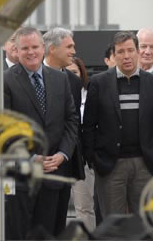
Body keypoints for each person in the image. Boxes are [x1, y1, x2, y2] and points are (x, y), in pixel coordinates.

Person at [82, 31, 153, 218]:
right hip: (111, 165)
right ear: (113, 55)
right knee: (113, 224)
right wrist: (93, 159)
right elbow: (88, 125)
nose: (126, 56)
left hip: (146, 163)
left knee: (146, 223)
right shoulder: (99, 82)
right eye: (121, 52)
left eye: (130, 50)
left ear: (138, 52)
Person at [4, 27, 78, 238]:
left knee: (51, 234)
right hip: (21, 178)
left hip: (55, 172)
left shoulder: (60, 79)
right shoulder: (5, 81)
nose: (31, 52)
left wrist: (62, 155)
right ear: (16, 51)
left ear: (43, 48)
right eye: (24, 48)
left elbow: (71, 120)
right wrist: (31, 158)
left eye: (35, 47)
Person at [66, 57, 96, 232]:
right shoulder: (59, 93)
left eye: (75, 73)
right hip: (62, 156)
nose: (72, 77)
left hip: (83, 158)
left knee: (84, 206)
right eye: (68, 73)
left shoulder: (90, 93)